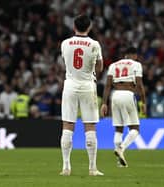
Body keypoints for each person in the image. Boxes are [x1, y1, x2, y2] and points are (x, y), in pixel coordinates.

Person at [60, 14, 104, 176]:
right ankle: (92, 168)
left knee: (68, 125)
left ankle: (66, 167)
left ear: (74, 26)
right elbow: (100, 67)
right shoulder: (94, 44)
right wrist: (91, 71)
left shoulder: (65, 43)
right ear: (89, 27)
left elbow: (66, 61)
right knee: (90, 126)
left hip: (70, 85)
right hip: (87, 85)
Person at [100, 46, 146, 167]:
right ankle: (122, 148)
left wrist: (104, 103)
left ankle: (119, 161)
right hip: (128, 94)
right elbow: (140, 84)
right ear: (135, 55)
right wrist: (143, 102)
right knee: (135, 129)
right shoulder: (136, 64)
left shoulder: (113, 65)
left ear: (125, 55)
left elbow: (108, 85)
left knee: (118, 129)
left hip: (115, 95)